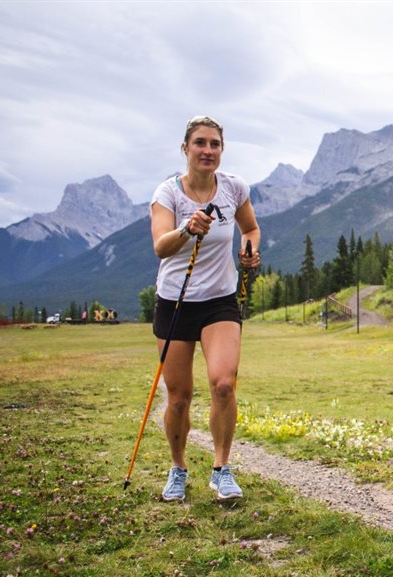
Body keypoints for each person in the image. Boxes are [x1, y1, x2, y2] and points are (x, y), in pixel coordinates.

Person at [150, 115, 261, 501]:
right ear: (185, 149)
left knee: (224, 385)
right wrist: (186, 229)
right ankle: (178, 468)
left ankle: (221, 468)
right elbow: (160, 247)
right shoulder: (168, 194)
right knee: (178, 396)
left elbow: (250, 228)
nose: (208, 151)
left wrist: (250, 250)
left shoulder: (233, 188)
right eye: (200, 143)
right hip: (175, 301)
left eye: (214, 144)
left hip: (219, 301)